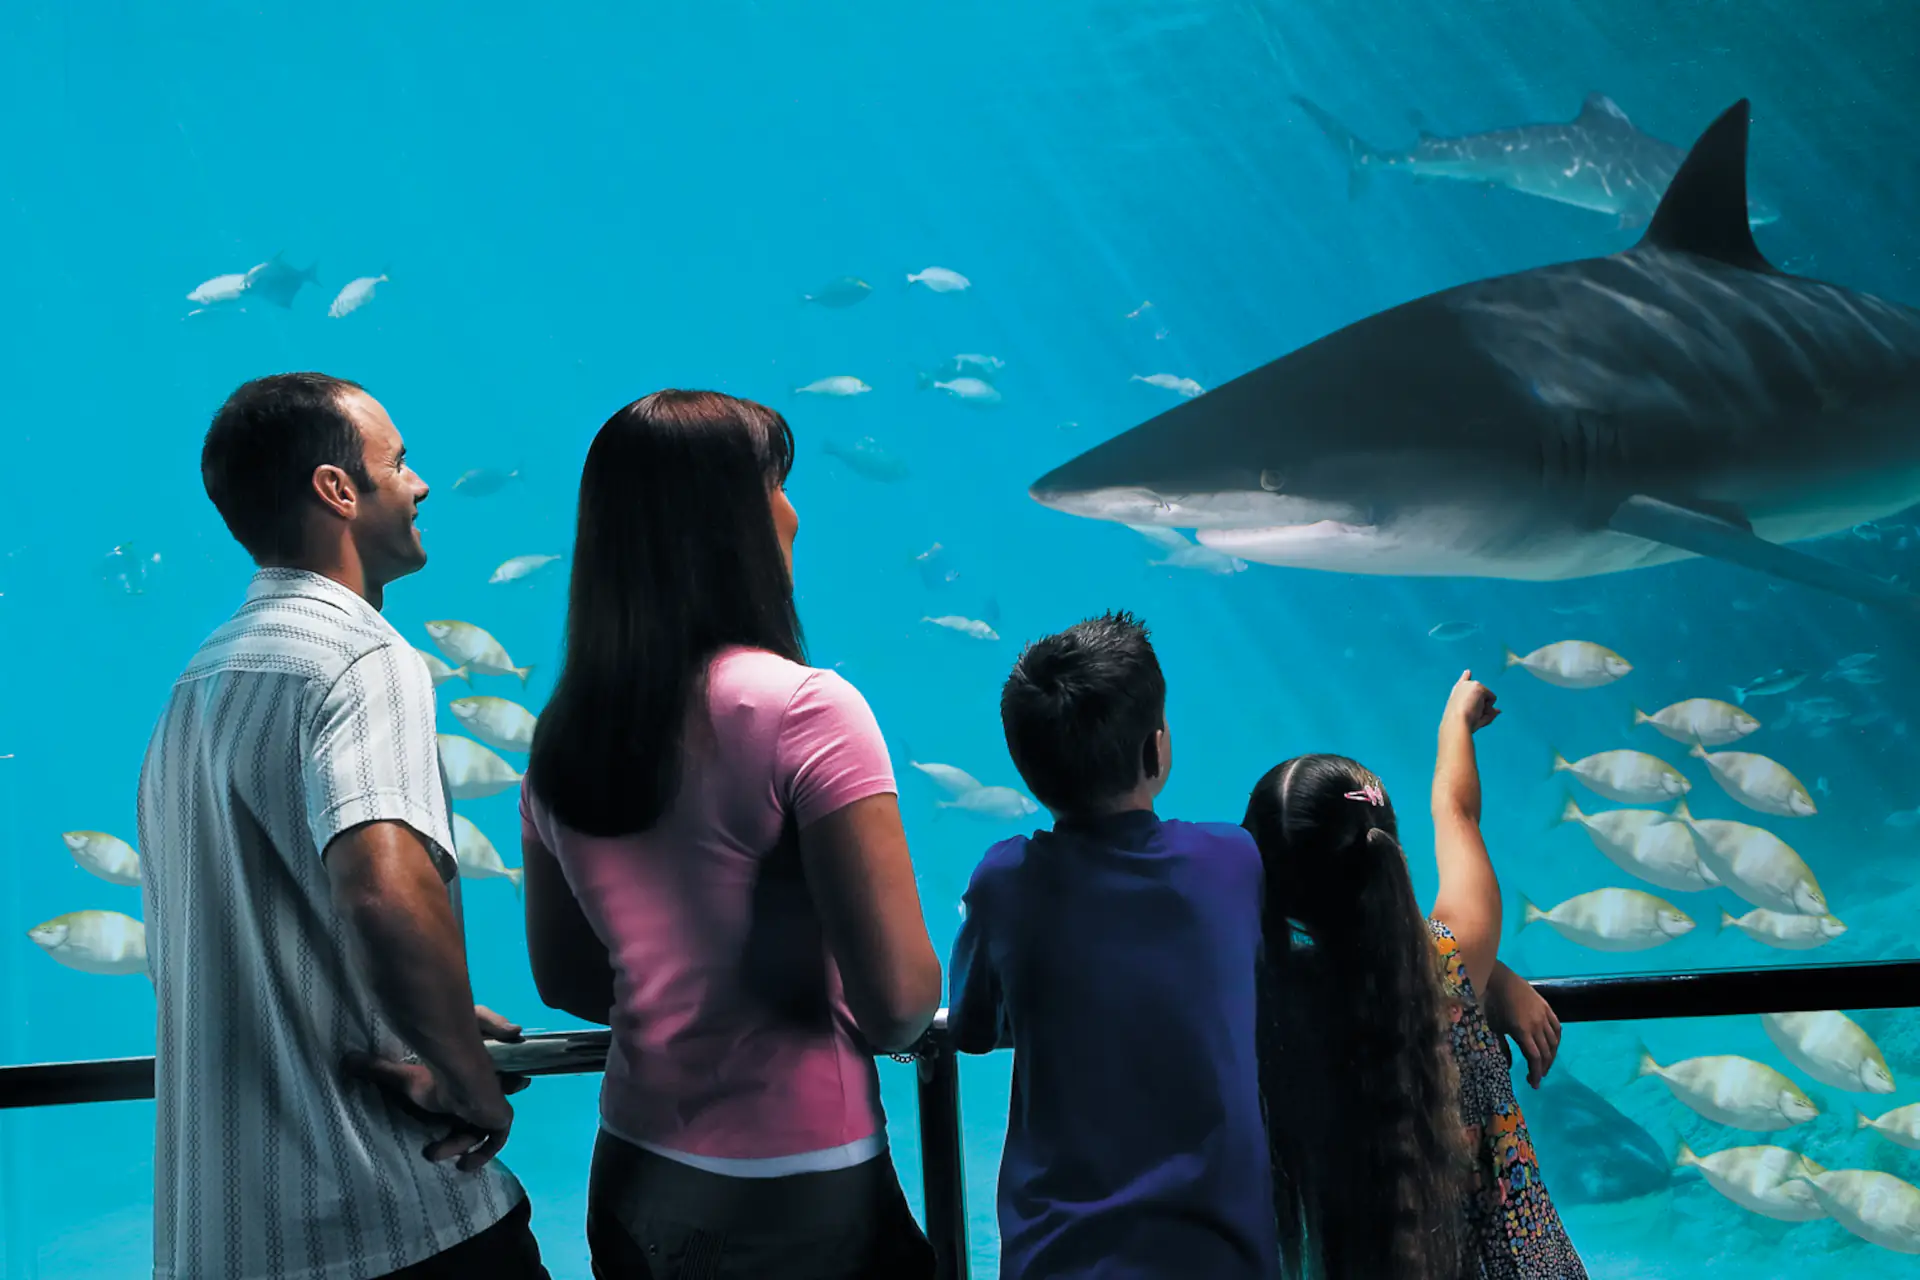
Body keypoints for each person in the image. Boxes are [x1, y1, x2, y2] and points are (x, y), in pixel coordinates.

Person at [520, 389, 942, 1279]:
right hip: (802, 1193)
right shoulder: (808, 710)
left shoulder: (563, 731)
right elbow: (901, 1003)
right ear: (727, 524)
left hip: (635, 1177)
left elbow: (566, 979)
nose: (793, 514)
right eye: (775, 486)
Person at [136, 373, 548, 1280]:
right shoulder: (362, 658)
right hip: (380, 1222)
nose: (421, 484)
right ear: (337, 489)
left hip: (221, 1238)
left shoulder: (196, 686)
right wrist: (465, 1077)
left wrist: (419, 1010)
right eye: (397, 463)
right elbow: (383, 894)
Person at [948, 611, 1278, 1280]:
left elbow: (973, 1028)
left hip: (1059, 1257)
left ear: (1026, 767)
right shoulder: (1232, 860)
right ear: (1156, 749)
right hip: (1220, 1257)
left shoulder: (1006, 880)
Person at [1243, 671, 1587, 1280]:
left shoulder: (1251, 1006)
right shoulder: (1453, 964)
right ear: (1385, 846)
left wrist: (1492, 977)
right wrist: (1457, 723)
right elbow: (1457, 815)